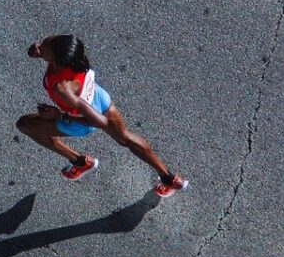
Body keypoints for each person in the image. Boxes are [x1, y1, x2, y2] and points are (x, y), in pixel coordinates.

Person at [15, 35, 188, 197]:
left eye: (44, 48)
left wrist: (61, 115)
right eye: (44, 43)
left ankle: (80, 162)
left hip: (83, 120)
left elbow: (99, 121)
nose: (40, 46)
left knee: (25, 125)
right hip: (99, 98)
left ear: (58, 60)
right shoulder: (73, 55)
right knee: (125, 137)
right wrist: (41, 53)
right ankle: (169, 179)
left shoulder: (63, 89)